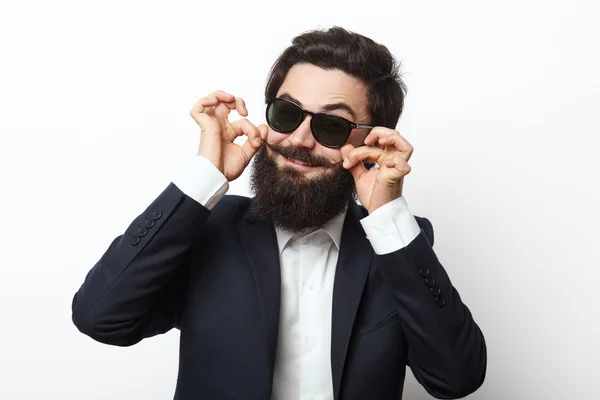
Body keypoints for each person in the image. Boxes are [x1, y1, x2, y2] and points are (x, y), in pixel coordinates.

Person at [71, 26, 486, 400]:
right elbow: (100, 317)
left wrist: (387, 213)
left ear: (371, 143)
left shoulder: (395, 246)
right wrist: (204, 176)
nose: (299, 140)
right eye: (287, 114)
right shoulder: (210, 230)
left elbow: (456, 378)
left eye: (330, 126)